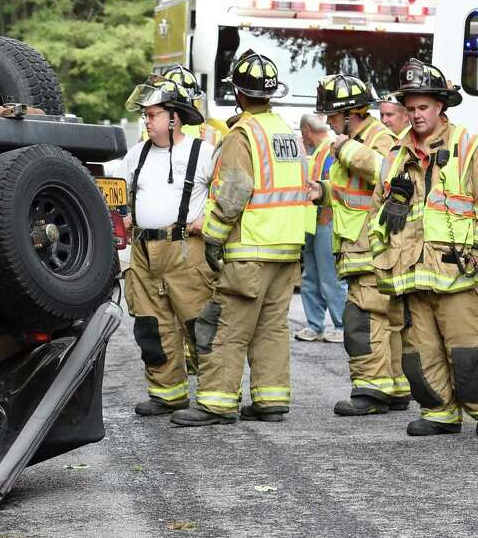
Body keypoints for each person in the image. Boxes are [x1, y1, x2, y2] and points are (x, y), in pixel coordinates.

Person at [171, 49, 310, 426]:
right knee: (271, 327)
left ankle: (216, 402)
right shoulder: (287, 132)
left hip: (250, 250)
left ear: (239, 93)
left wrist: (214, 238)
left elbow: (234, 191)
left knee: (227, 324)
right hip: (287, 251)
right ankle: (270, 400)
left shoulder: (242, 134)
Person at [370, 59, 478, 436]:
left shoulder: (468, 145)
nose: (416, 115)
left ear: (440, 107)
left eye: (423, 108)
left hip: (458, 274)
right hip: (410, 275)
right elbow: (376, 214)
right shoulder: (396, 155)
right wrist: (382, 262)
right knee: (419, 355)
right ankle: (440, 412)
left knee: (468, 353)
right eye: (410, 108)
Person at [307, 74, 408, 416]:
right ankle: (394, 386)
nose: (331, 125)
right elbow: (354, 193)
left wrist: (346, 149)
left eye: (334, 118)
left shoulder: (377, 138)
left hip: (372, 246)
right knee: (385, 318)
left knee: (362, 318)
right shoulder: (360, 138)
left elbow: (388, 174)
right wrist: (322, 191)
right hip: (361, 244)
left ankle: (371, 391)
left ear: (351, 114)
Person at [121, 79, 216, 416]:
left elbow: (226, 195)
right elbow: (122, 197)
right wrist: (127, 215)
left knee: (199, 325)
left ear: (174, 118)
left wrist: (208, 218)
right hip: (144, 253)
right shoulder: (137, 156)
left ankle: (214, 397)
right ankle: (167, 394)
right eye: (145, 115)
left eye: (153, 114)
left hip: (186, 251)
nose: (147, 121)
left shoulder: (202, 152)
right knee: (151, 326)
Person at [296, 112, 346, 343]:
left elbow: (331, 185)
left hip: (325, 222)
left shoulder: (329, 149)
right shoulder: (320, 150)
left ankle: (342, 324)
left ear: (306, 130)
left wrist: (325, 219)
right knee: (312, 276)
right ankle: (314, 325)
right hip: (312, 224)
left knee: (330, 277)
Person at [133, 65, 224, 146]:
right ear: (194, 100)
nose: (147, 120)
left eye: (152, 115)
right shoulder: (213, 135)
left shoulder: (148, 134)